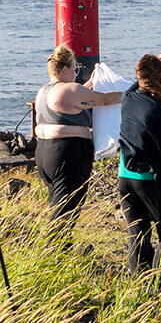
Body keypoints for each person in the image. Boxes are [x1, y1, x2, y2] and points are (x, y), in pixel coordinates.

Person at [34, 44, 124, 233]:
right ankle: (55, 255)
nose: (76, 73)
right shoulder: (70, 90)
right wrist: (135, 92)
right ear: (65, 69)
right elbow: (106, 99)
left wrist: (88, 85)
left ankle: (58, 252)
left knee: (58, 206)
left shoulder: (43, 90)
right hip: (67, 154)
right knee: (65, 214)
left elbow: (70, 100)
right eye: (75, 69)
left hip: (43, 153)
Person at [117, 53, 161, 290]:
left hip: (125, 176)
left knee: (138, 233)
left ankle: (139, 286)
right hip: (150, 179)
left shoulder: (127, 98)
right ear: (160, 79)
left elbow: (135, 83)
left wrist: (154, 64)